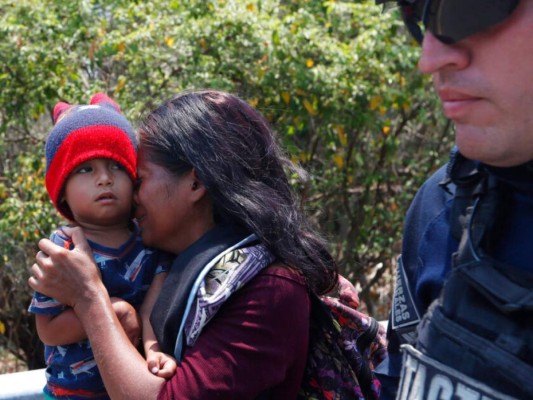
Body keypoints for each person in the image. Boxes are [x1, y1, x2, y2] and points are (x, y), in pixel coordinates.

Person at [28, 89, 339, 399]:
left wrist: (89, 298)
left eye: (139, 180)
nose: (131, 199)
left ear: (195, 182)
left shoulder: (269, 289)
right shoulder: (180, 262)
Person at [373, 0, 533, 398]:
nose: (429, 58)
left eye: (468, 6)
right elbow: (397, 372)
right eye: (416, 15)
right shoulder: (443, 204)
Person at [28, 93, 175, 400]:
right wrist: (115, 313)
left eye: (116, 167)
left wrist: (153, 350)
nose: (105, 179)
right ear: (62, 192)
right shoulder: (62, 250)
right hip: (69, 394)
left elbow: (151, 311)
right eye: (86, 169)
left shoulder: (150, 240)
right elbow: (48, 330)